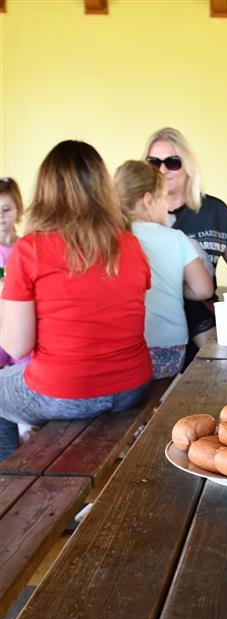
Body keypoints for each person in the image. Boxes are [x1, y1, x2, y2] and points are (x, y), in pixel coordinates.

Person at [0, 140, 152, 462]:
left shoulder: (29, 249)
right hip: (132, 386)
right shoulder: (131, 244)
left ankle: (11, 479)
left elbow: (16, 346)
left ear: (44, 191)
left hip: (66, 392)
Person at [143, 127, 227, 356]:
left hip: (203, 319)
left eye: (172, 162)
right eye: (154, 163)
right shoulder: (133, 220)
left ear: (188, 166)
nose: (162, 170)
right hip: (152, 327)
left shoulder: (215, 211)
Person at [115, 160, 214, 379]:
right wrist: (174, 285)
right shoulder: (175, 238)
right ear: (148, 200)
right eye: (163, 198)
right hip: (169, 350)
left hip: (122, 353)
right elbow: (204, 289)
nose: (168, 207)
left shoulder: (111, 239)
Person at [0, 177, 31, 370]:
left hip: (19, 323)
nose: (1, 216)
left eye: (6, 209)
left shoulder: (26, 247)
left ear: (18, 210)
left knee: (26, 365)